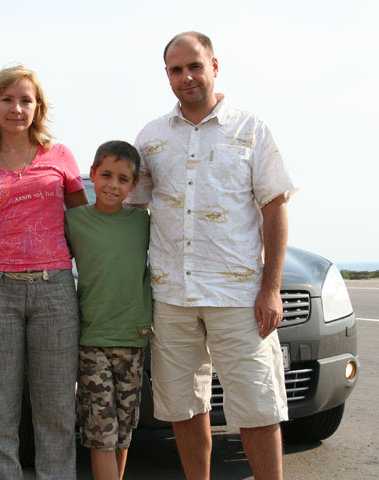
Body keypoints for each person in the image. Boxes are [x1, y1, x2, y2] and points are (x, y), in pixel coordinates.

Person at [125, 32, 298, 480]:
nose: (186, 77)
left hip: (238, 296)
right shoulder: (151, 137)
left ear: (214, 67)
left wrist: (271, 289)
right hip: (171, 296)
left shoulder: (250, 128)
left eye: (195, 66)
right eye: (176, 70)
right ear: (167, 75)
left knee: (258, 407)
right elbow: (130, 210)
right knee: (184, 407)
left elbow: (274, 207)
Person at [0, 65, 88, 480]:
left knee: (56, 409)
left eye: (25, 100)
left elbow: (84, 224)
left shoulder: (60, 156)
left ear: (38, 107)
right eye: (7, 99)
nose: (17, 108)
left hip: (55, 291)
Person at [65, 140, 151, 480]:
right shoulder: (74, 220)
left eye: (123, 179)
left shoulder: (143, 223)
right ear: (92, 173)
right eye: (106, 175)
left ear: (134, 184)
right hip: (92, 340)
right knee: (101, 433)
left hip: (134, 339)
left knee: (123, 432)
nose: (113, 185)